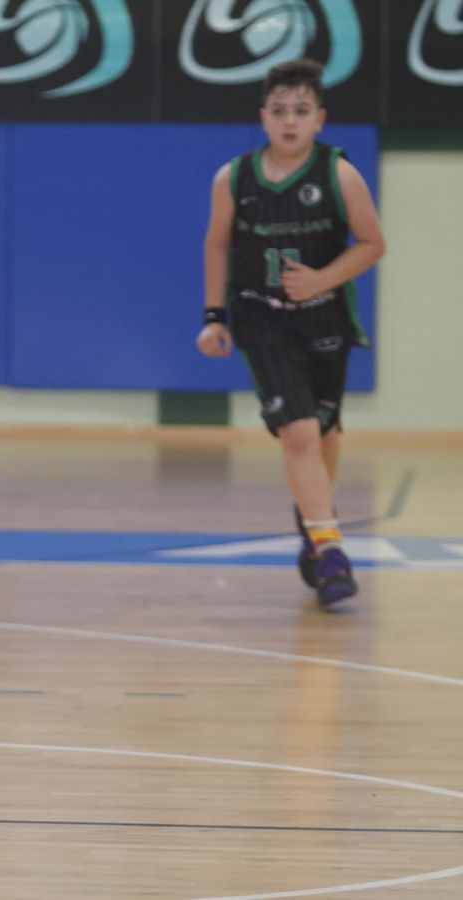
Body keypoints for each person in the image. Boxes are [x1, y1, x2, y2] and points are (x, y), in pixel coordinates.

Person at [197, 58, 385, 609]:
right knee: (299, 432)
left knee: (324, 433)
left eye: (301, 111)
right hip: (263, 316)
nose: (289, 121)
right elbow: (216, 245)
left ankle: (312, 518)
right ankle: (329, 549)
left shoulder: (339, 174)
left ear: (319, 119)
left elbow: (373, 243)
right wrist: (214, 316)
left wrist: (324, 278)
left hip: (325, 318)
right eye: (279, 111)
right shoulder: (234, 178)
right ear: (263, 117)